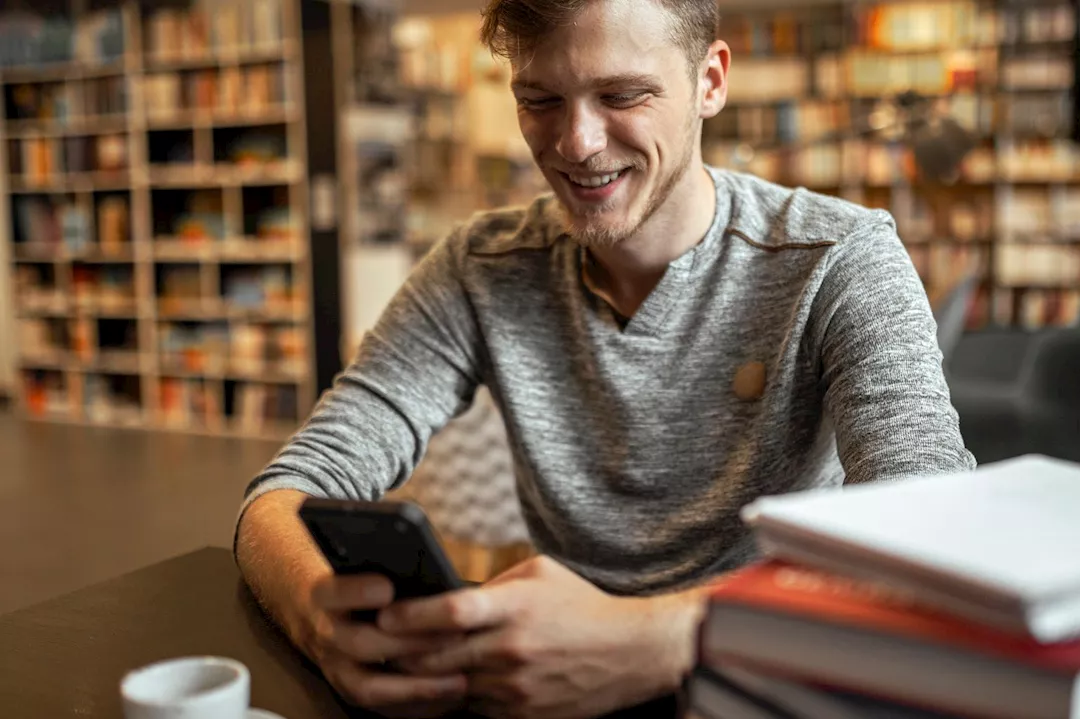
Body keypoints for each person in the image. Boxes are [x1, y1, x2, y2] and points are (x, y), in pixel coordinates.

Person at [234, 0, 975, 717]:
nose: (576, 143)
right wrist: (320, 622)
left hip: (774, 679)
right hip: (539, 687)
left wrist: (664, 640)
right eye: (540, 99)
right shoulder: (478, 267)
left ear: (710, 82)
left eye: (622, 95)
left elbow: (937, 538)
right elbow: (284, 493)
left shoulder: (840, 258)